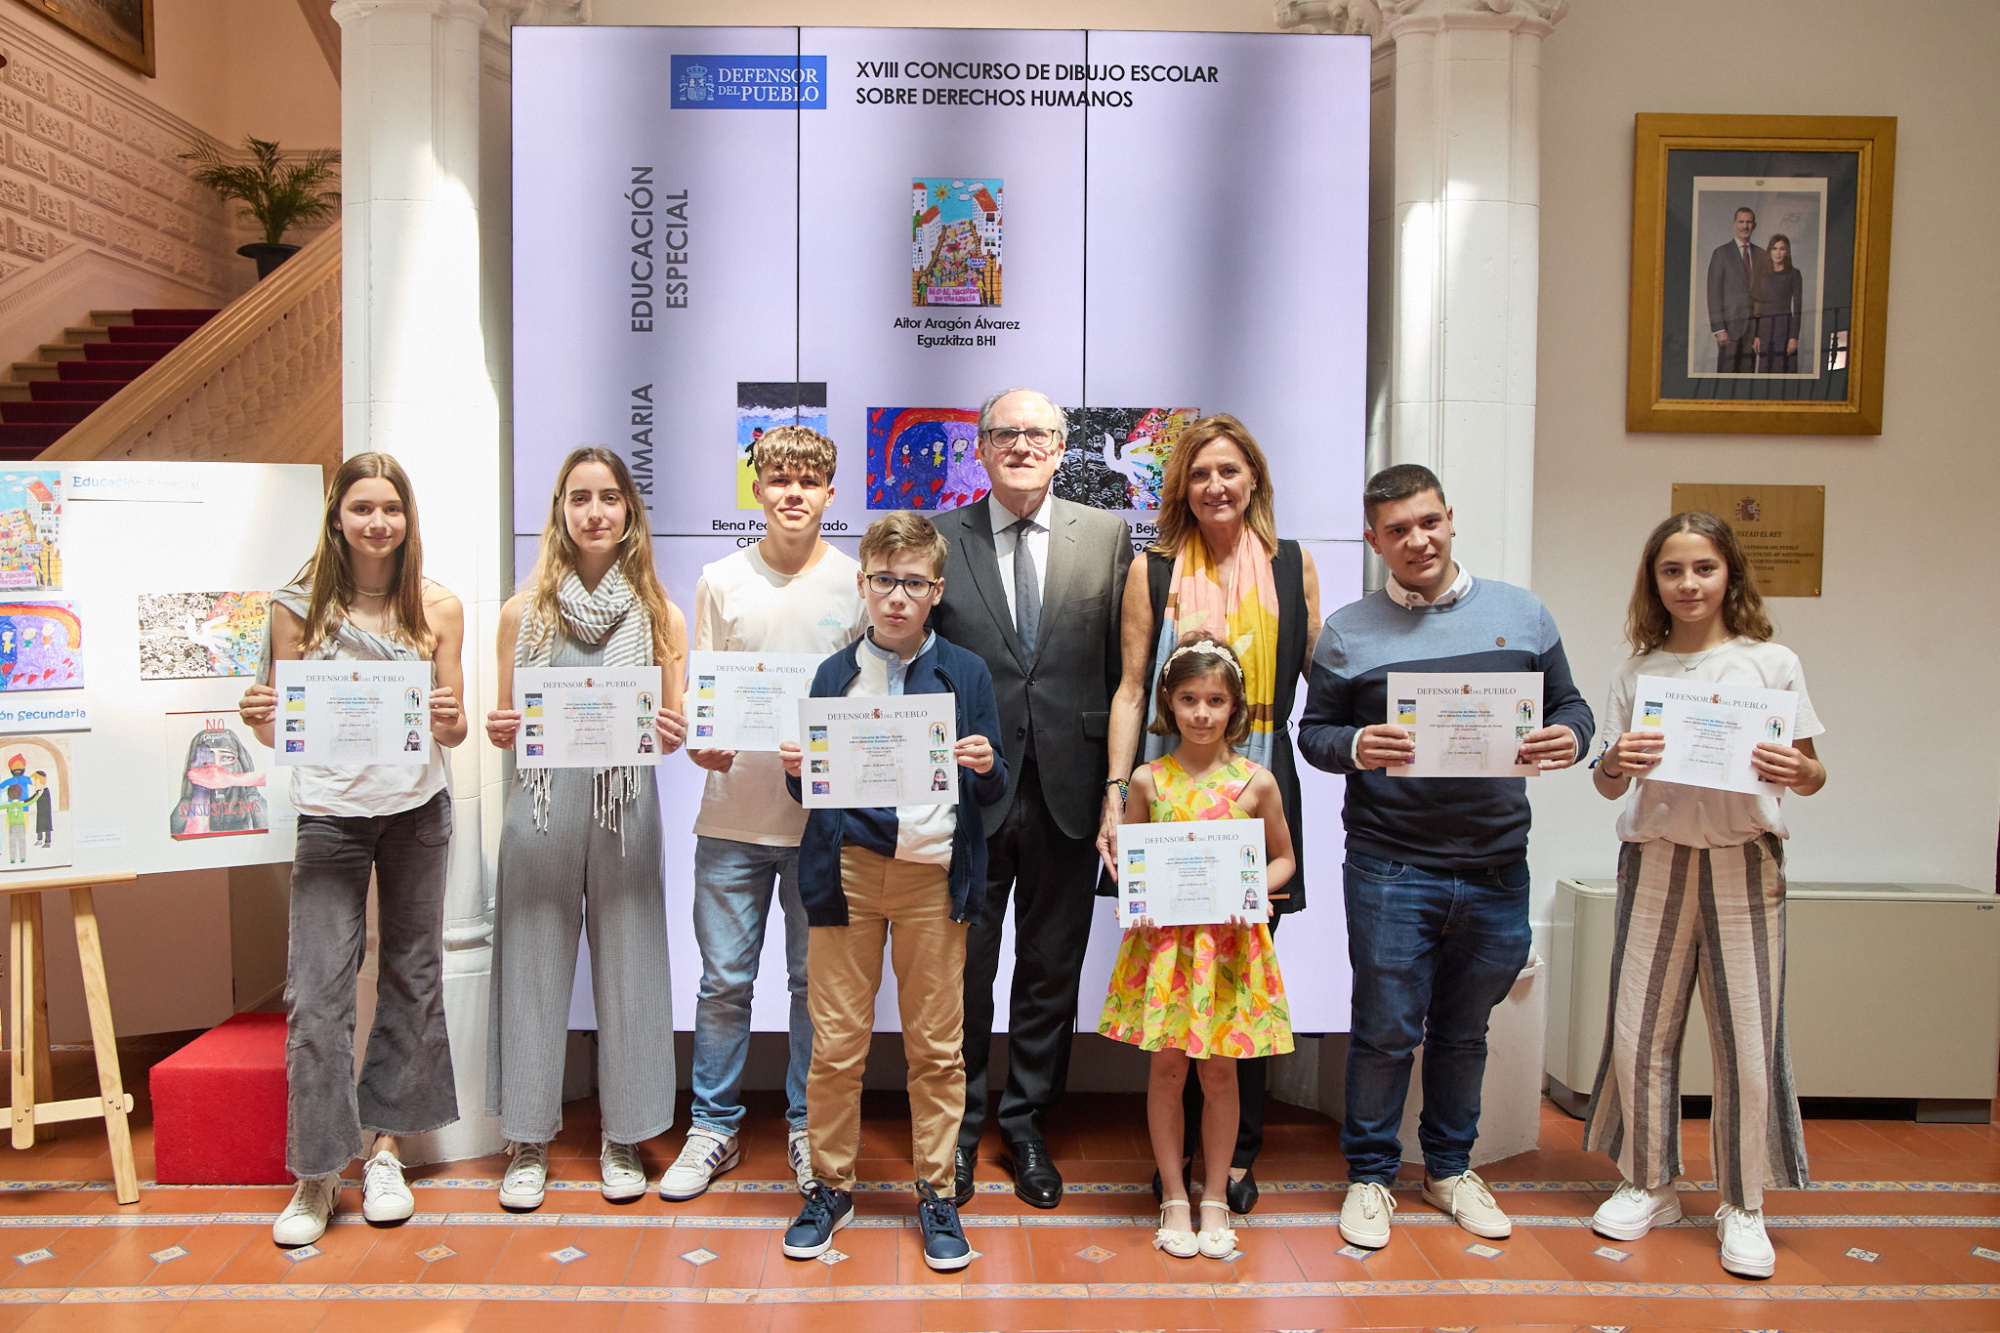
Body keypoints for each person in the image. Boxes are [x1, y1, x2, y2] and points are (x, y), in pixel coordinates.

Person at [1298, 462, 1594, 1251]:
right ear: (1374, 540)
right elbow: (1314, 734)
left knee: (1465, 1032)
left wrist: (1572, 737)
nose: (1416, 540)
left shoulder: (1521, 614)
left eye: (1427, 522)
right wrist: (1359, 742)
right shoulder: (1350, 631)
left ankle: (1450, 1168)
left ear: (1450, 518)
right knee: (1385, 1028)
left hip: (1499, 865)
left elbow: (1572, 706)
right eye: (1397, 530)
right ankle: (1369, 1175)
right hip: (1391, 865)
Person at [1582, 511, 1825, 1280]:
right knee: (1639, 1030)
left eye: (1703, 569)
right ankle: (1649, 1182)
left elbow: (1814, 772)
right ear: (1653, 582)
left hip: (1744, 859)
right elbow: (1605, 780)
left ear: (1730, 576)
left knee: (1747, 1041)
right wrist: (1617, 757)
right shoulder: (1639, 670)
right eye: (1672, 570)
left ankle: (1743, 1201)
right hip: (1654, 857)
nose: (1688, 584)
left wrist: (1795, 770)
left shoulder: (1771, 663)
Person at [238, 452, 468, 1248]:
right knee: (315, 995)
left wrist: (447, 720)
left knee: (411, 974)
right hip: (330, 815)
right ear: (336, 515)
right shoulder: (296, 608)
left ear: (408, 518)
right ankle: (316, 1171)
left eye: (391, 508)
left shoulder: (437, 606)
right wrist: (258, 712)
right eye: (362, 507)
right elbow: (281, 727)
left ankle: (386, 1151)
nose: (378, 522)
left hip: (416, 811)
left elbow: (458, 724)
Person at [1102, 412, 1319, 1215]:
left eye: (1229, 470)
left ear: (1253, 477)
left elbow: (1322, 678)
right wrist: (1116, 798)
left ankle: (1229, 1162)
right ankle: (1173, 1168)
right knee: (1172, 984)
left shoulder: (1294, 566)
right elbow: (1131, 688)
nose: (1216, 486)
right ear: (1182, 489)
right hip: (1169, 792)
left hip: (1258, 786)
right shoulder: (1153, 569)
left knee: (1242, 981)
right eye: (1200, 474)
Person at [776, 512, 1005, 1272]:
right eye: (884, 581)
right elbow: (813, 785)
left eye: (913, 583)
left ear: (936, 590)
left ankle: (937, 1191)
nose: (897, 597)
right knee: (836, 1045)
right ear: (863, 585)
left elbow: (997, 781)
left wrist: (981, 762)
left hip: (935, 874)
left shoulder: (966, 672)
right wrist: (794, 764)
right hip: (847, 871)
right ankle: (830, 1186)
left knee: (937, 1048)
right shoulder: (832, 674)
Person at [931, 387, 1132, 1209]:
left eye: (1037, 433)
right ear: (979, 449)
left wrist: (1124, 789)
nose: (1021, 444)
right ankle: (961, 1128)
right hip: (969, 793)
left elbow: (1127, 666)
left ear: (1060, 446)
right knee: (965, 972)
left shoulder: (1109, 535)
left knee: (1051, 970)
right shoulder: (942, 537)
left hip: (1071, 792)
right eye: (1005, 433)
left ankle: (1025, 1124)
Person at [659, 425, 864, 1203]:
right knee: (723, 984)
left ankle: (809, 1128)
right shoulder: (719, 578)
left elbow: (864, 703)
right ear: (758, 488)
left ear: (829, 493)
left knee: (815, 985)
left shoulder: (854, 584)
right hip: (731, 821)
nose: (792, 493)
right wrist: (701, 744)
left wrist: (831, 752)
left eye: (808, 482)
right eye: (778, 479)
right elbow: (700, 697)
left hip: (820, 826)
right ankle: (713, 1125)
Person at [483, 447, 687, 1211]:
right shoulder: (522, 610)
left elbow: (672, 727)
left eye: (608, 497)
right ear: (560, 511)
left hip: (627, 802)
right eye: (579, 498)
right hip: (538, 802)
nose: (594, 511)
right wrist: (503, 728)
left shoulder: (661, 613)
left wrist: (671, 728)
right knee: (531, 957)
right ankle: (528, 1138)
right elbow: (503, 723)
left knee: (634, 959)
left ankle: (623, 1135)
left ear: (629, 510)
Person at [1100, 633, 1296, 1261]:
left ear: (1235, 706)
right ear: (1170, 703)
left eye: (1215, 700)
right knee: (1166, 1070)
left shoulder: (1256, 782)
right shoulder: (1148, 781)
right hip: (1167, 951)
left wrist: (1255, 890)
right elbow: (1130, 863)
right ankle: (1174, 1198)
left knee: (1220, 1070)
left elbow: (1284, 860)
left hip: (1230, 948)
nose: (1202, 713)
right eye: (1189, 699)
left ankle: (1215, 1194)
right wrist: (1135, 883)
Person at [1705, 206, 1768, 374]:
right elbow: (1713, 294)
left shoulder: (1762, 255)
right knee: (1726, 377)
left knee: (1747, 380)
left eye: (1748, 222)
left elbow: (1765, 297)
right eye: (1741, 222)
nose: (1745, 226)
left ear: (1754, 225)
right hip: (1729, 329)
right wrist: (1719, 329)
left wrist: (1760, 333)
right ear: (1734, 224)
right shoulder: (1721, 253)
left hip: (1752, 331)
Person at [1752, 234, 1804, 374]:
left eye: (1782, 249)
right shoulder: (1762, 275)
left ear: (1787, 251)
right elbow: (1757, 307)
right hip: (1765, 330)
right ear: (1769, 251)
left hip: (1785, 329)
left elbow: (1798, 308)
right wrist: (1757, 336)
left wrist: (1794, 337)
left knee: (1785, 372)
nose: (1778, 252)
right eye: (1774, 248)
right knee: (1765, 373)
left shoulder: (1794, 274)